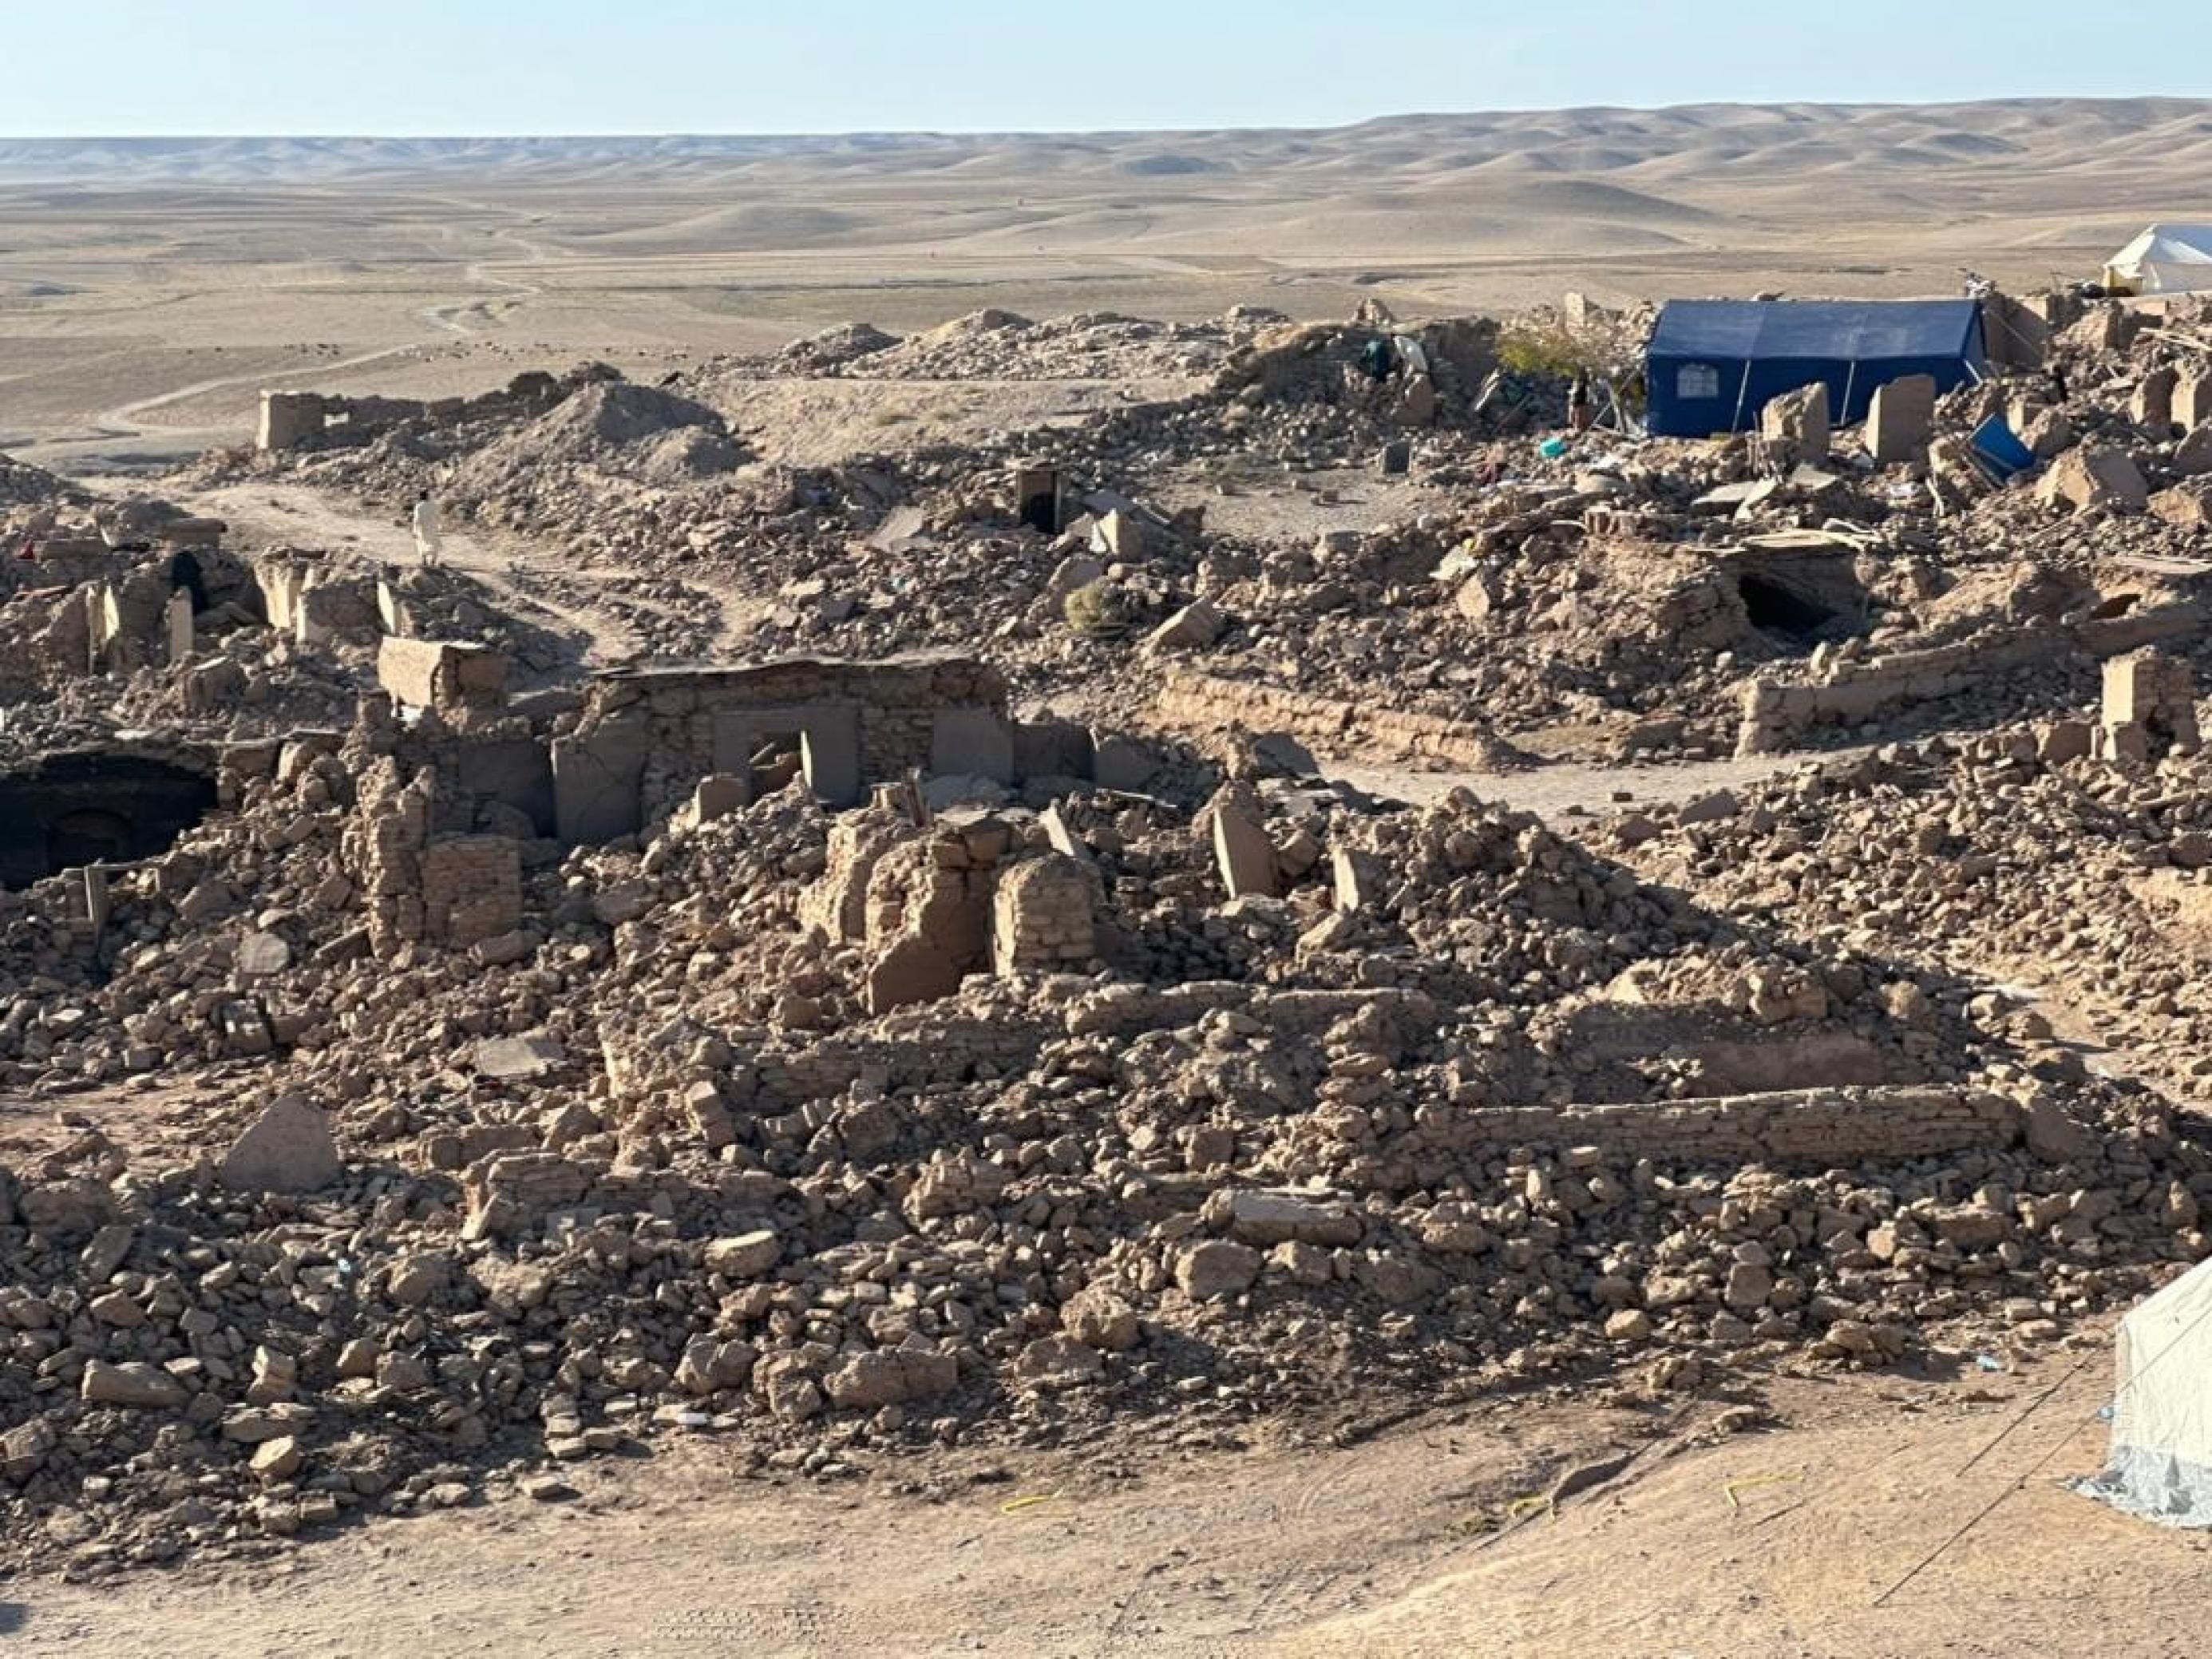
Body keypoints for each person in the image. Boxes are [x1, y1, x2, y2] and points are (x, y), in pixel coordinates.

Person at [410, 490, 443, 568]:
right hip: (433, 527)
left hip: (423, 528)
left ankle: (424, 561)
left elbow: (417, 519)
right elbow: (438, 516)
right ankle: (433, 561)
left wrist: (414, 530)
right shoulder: (434, 505)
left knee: (422, 543)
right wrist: (440, 526)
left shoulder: (419, 506)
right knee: (434, 543)